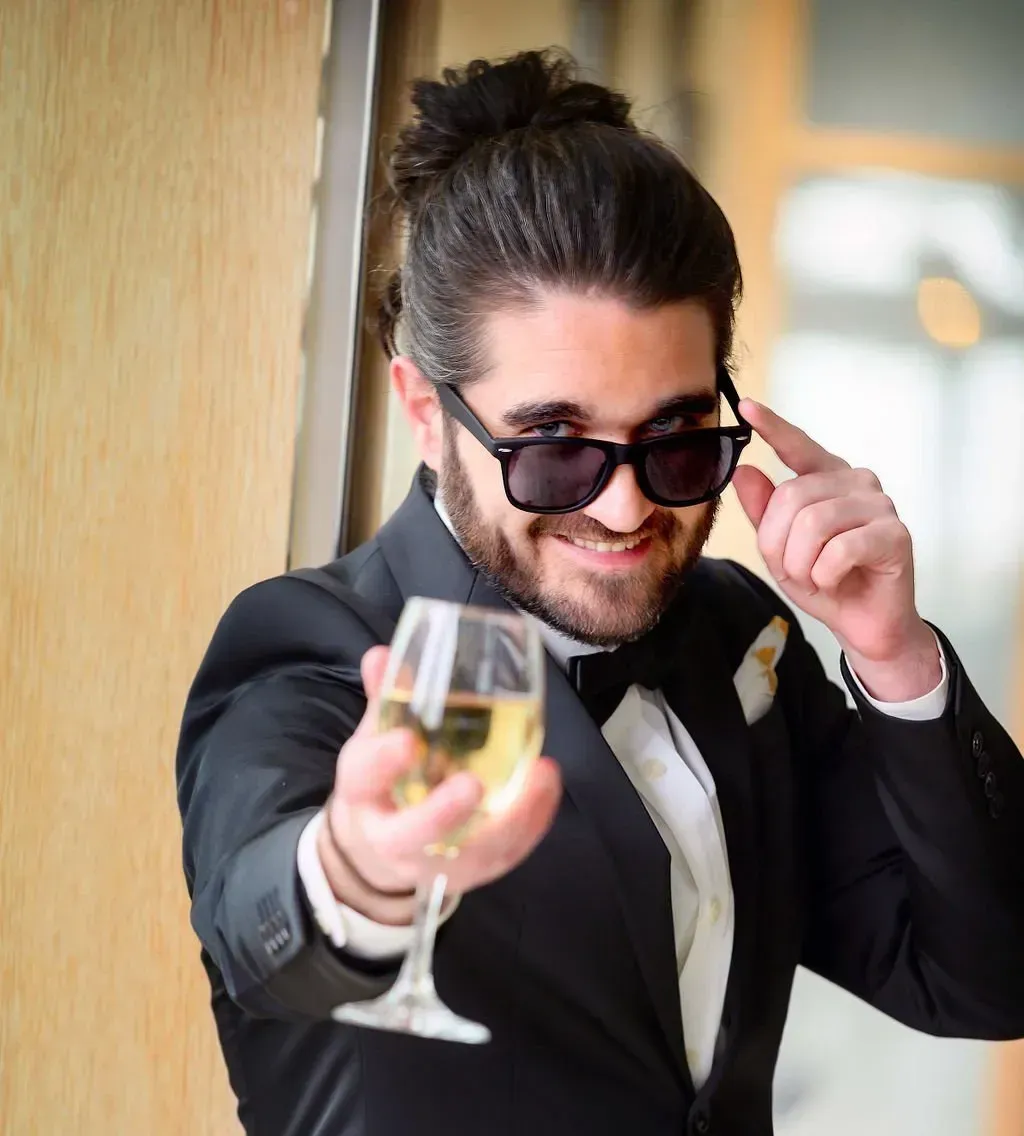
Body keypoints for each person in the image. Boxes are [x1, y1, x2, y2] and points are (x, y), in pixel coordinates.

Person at [176, 50, 1024, 1136]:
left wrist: (895, 660)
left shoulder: (736, 634)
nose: (626, 512)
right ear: (428, 413)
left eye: (674, 441)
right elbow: (266, 941)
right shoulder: (307, 647)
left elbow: (986, 975)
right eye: (555, 449)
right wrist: (356, 869)